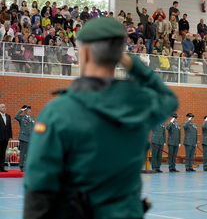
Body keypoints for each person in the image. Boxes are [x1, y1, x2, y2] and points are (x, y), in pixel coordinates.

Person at [23, 17, 178, 218]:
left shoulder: (60, 112)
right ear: (117, 56)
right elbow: (170, 99)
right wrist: (134, 65)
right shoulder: (139, 104)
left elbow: (39, 188)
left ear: (85, 53)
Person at [14, 105, 35, 172]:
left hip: (31, 138)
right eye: (27, 109)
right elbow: (15, 116)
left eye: (30, 109)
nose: (29, 110)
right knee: (23, 153)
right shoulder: (21, 117)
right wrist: (21, 110)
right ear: (25, 110)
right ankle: (22, 166)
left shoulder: (32, 118)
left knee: (29, 153)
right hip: (23, 137)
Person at [0, 104, 12, 172]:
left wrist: (10, 136)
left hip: (5, 137)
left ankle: (2, 167)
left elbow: (9, 127)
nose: (4, 108)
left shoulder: (8, 116)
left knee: (3, 153)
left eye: (5, 107)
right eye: (2, 107)